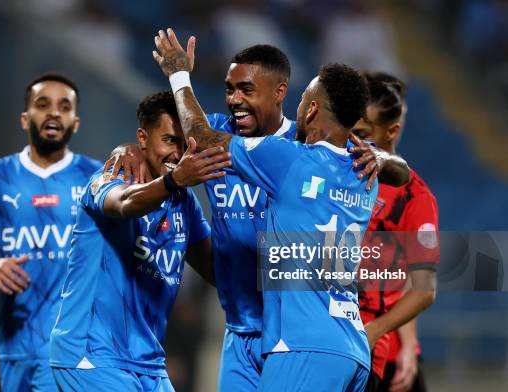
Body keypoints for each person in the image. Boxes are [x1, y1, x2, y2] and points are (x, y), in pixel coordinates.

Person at [113, 37, 409, 391]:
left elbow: (400, 171)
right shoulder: (225, 131)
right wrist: (129, 147)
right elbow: (164, 139)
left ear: (282, 93)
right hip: (242, 331)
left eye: (246, 89)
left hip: (293, 331)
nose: (235, 99)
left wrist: (383, 157)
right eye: (229, 89)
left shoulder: (298, 149)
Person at [49, 91, 231, 391]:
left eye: (185, 145)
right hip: (91, 355)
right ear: (142, 138)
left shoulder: (184, 203)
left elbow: (217, 270)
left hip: (148, 363)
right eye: (170, 140)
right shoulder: (110, 177)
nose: (179, 153)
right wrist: (173, 180)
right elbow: (124, 204)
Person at [0, 73, 101, 391]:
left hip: (75, 349)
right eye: (42, 104)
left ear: (75, 123)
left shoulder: (96, 177)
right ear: (25, 119)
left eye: (64, 107)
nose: (53, 112)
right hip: (14, 346)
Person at [353, 72, 438, 392]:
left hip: (376, 348)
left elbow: (413, 283)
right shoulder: (336, 175)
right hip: (328, 339)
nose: (355, 141)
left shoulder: (413, 197)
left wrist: (405, 343)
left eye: (363, 133)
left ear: (392, 130)